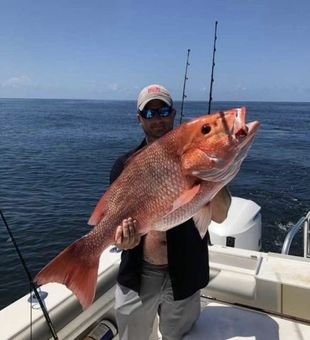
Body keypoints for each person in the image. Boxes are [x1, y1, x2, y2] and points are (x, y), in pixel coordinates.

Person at [109, 84, 231, 340]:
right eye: (150, 113)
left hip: (185, 270)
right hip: (138, 272)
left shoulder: (200, 156)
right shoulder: (124, 165)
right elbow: (117, 224)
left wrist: (212, 176)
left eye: (163, 110)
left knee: (180, 337)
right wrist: (123, 240)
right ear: (139, 119)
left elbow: (219, 215)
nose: (158, 119)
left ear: (173, 113)